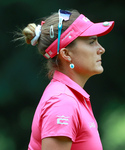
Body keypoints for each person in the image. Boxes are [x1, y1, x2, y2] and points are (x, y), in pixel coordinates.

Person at [21, 9, 114, 150]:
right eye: (91, 42)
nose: (101, 49)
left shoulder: (70, 98)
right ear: (66, 54)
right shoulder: (62, 102)